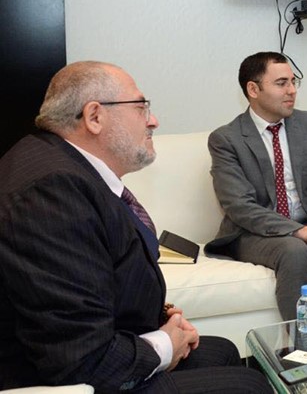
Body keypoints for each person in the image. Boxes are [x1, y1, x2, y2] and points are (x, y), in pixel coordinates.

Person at [0, 61, 269, 393]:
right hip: (63, 378)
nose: (153, 121)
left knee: (223, 351)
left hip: (91, 349)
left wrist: (158, 317)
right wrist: (164, 344)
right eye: (141, 108)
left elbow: (90, 278)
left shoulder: (68, 168)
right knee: (250, 384)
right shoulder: (50, 193)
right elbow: (82, 360)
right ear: (94, 116)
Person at [206, 52, 307, 320]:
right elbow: (239, 206)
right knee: (294, 250)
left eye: (294, 82)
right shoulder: (226, 139)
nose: (292, 90)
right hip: (254, 233)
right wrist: (298, 232)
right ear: (253, 89)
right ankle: (306, 342)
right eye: (281, 83)